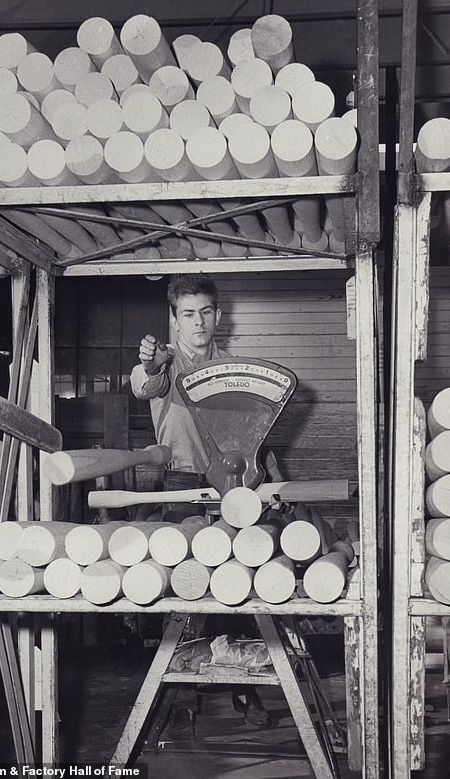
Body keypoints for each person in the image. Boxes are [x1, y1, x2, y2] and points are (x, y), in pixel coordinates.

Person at [130, 274, 272, 733]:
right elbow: (144, 386)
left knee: (236, 584)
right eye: (188, 314)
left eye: (206, 312)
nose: (199, 322)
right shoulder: (162, 366)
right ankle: (181, 698)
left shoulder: (234, 368)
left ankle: (243, 690)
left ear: (218, 315)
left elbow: (253, 431)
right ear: (173, 320)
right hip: (180, 483)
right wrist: (151, 364)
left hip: (230, 488)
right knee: (185, 585)